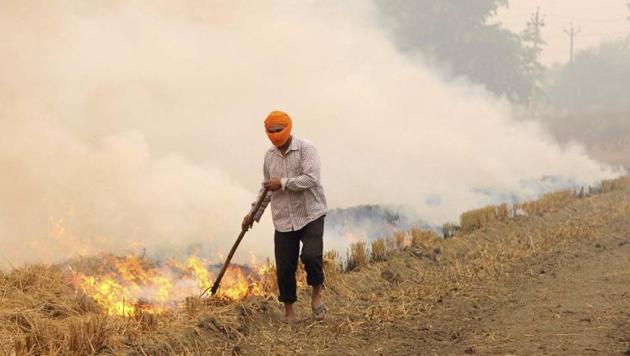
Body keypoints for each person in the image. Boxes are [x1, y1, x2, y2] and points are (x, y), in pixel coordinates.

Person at [243, 110, 328, 322]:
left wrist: (282, 182)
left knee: (310, 256)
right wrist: (253, 214)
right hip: (283, 219)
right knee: (284, 267)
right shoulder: (269, 157)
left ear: (288, 128)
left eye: (278, 130)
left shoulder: (305, 149)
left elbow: (311, 179)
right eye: (270, 131)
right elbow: (266, 190)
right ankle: (289, 312)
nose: (275, 134)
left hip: (310, 213)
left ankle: (317, 294)